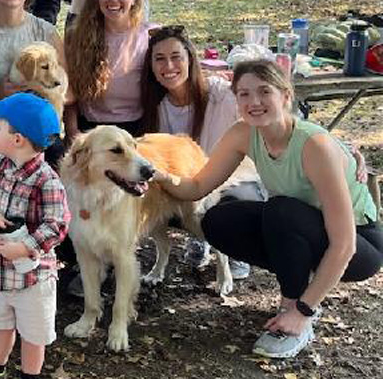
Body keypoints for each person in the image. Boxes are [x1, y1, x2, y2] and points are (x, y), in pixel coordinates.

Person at [153, 60, 382, 359]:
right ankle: (303, 284)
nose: (254, 102)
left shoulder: (314, 146)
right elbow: (197, 188)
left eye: (264, 92)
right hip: (307, 228)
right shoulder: (243, 134)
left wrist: (302, 310)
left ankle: (296, 313)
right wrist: (154, 173)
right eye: (244, 94)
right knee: (219, 221)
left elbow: (345, 244)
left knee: (281, 211)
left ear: (286, 96)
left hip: (361, 245)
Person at [140, 24, 264, 274]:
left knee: (232, 204)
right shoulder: (155, 106)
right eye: (160, 59)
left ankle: (236, 247)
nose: (169, 67)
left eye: (176, 57)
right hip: (187, 184)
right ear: (151, 66)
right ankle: (201, 237)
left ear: (190, 59)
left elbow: (269, 114)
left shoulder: (220, 94)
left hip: (233, 178)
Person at [0, 92, 69, 379]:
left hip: (33, 280)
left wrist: (25, 247)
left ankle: (30, 376)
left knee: (33, 337)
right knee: (1, 326)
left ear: (18, 139)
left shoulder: (46, 180)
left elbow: (57, 225)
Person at [63, 0, 154, 139]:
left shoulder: (150, 36)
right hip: (91, 130)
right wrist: (72, 131)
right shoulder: (77, 36)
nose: (113, 0)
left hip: (138, 128)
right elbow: (69, 90)